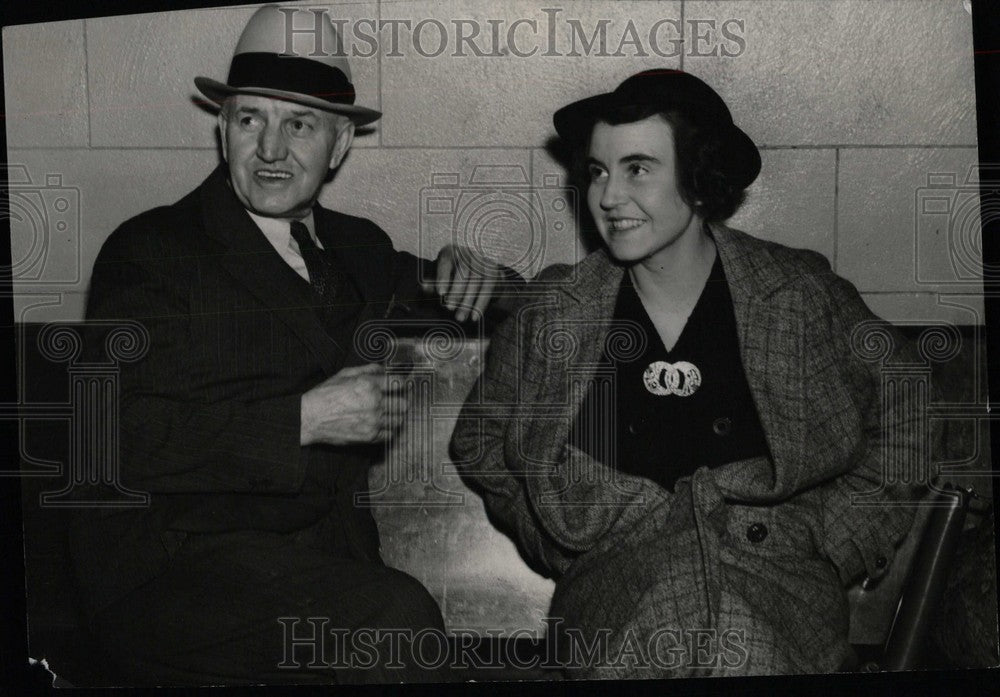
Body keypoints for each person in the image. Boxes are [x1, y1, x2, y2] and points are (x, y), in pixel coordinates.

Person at [68, 5, 513, 685]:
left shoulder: (359, 249)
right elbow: (117, 438)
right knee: (396, 620)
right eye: (251, 119)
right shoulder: (151, 249)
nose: (270, 149)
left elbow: (485, 299)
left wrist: (483, 274)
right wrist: (304, 418)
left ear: (338, 146)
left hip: (319, 567)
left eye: (298, 124)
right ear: (224, 129)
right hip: (174, 574)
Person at [450, 69, 928, 677]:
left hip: (777, 583)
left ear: (700, 181)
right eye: (598, 171)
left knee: (746, 646)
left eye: (638, 169)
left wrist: (837, 541)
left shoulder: (799, 294)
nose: (608, 197)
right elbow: (480, 437)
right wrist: (562, 538)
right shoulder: (557, 312)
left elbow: (907, 402)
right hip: (616, 588)